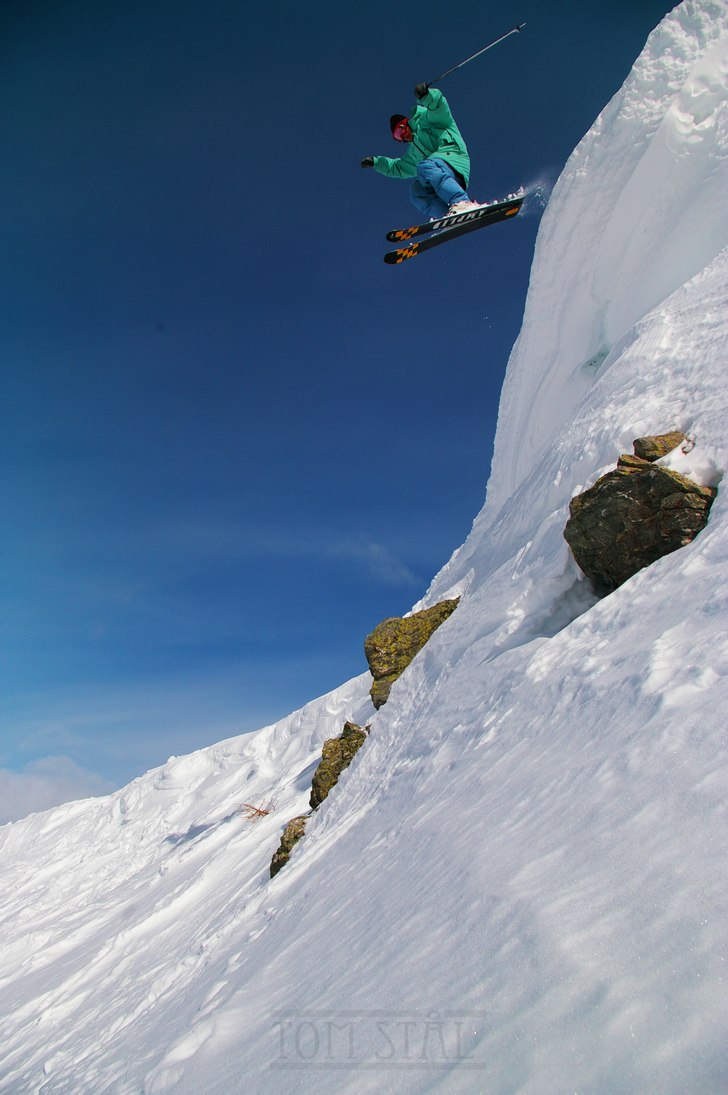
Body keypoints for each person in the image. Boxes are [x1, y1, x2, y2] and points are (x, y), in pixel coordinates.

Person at [361, 83, 481, 220]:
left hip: (454, 158)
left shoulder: (427, 120)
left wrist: (427, 96)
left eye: (401, 130)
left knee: (425, 166)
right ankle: (449, 216)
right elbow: (397, 168)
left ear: (406, 122)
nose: (403, 136)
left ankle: (462, 203)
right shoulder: (413, 154)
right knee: (416, 191)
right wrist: (376, 162)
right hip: (441, 176)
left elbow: (438, 107)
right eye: (398, 137)